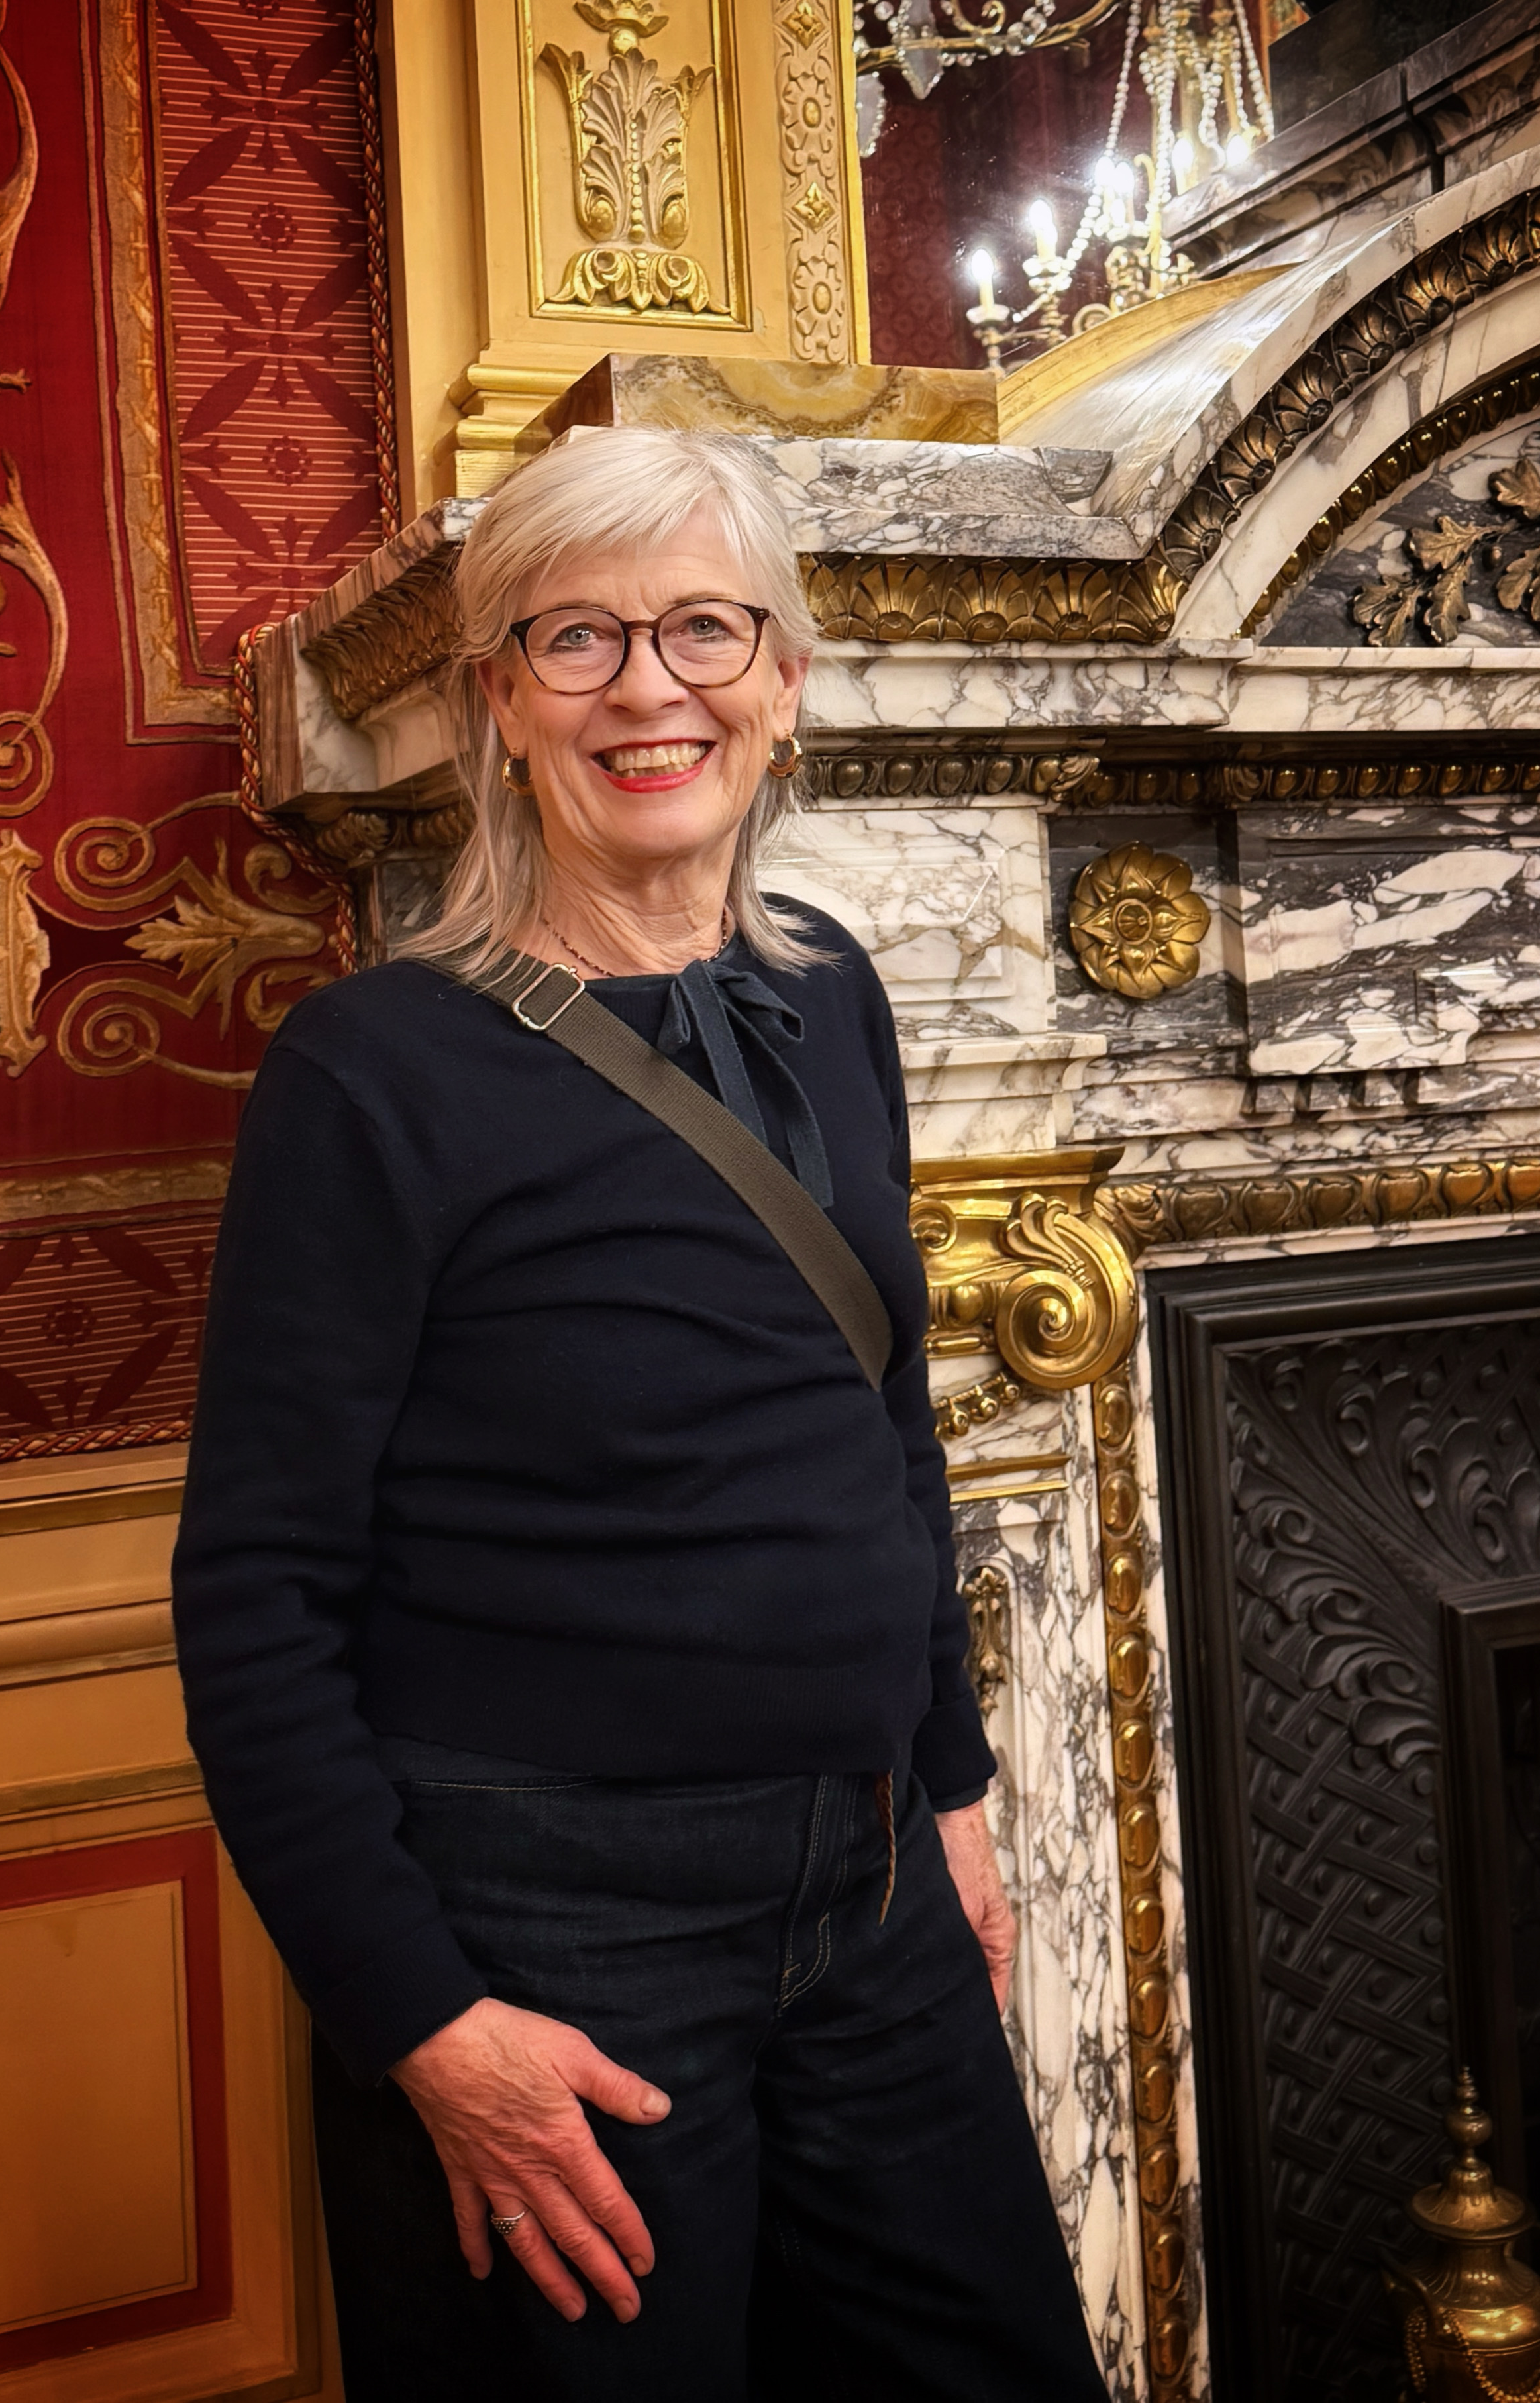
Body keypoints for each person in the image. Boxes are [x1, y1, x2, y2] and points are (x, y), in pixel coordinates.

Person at [172, 427, 1109, 2400]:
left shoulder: (827, 991)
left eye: (703, 628)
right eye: (578, 637)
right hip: (551, 1935)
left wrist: (947, 1784)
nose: (648, 687)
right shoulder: (371, 1070)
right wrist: (423, 2022)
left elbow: (884, 1423)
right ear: (500, 700)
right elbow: (255, 1596)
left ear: (783, 679)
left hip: (874, 1882)